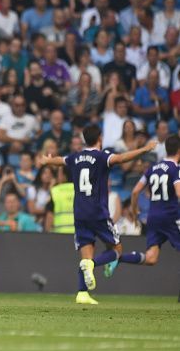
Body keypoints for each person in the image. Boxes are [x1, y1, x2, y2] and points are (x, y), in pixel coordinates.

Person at [41, 124, 157, 305]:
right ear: (100, 139)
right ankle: (92, 265)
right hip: (98, 212)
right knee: (116, 251)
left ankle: (82, 293)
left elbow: (60, 160)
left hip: (79, 212)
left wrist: (47, 161)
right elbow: (120, 158)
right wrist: (144, 149)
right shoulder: (102, 157)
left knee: (86, 254)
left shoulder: (76, 157)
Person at [105, 135, 180, 276]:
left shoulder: (153, 168)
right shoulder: (176, 169)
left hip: (153, 218)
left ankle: (117, 258)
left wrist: (135, 212)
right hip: (170, 217)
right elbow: (179, 193)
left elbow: (135, 192)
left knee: (151, 258)